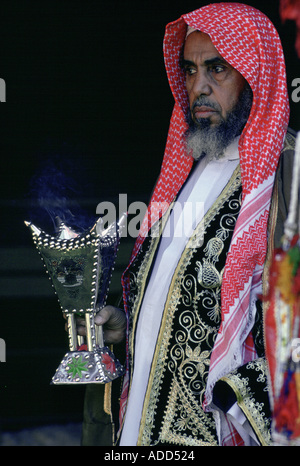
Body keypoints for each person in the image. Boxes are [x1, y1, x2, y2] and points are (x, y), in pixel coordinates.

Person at [80, 3, 296, 446]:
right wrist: (131, 325)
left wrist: (237, 397)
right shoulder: (189, 167)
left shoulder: (288, 180)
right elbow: (181, 294)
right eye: (190, 69)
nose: (198, 86)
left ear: (255, 74)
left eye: (217, 68)